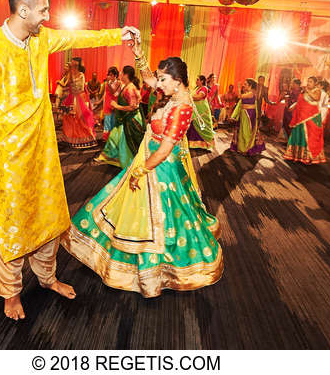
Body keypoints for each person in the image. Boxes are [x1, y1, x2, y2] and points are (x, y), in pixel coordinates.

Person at [0, 0, 138, 320]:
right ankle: (10, 293)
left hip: (42, 153)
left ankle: (47, 278)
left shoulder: (40, 40)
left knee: (49, 222)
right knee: (8, 231)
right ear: (22, 9)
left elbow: (79, 37)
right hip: (5, 161)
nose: (47, 17)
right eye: (42, 10)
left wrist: (120, 33)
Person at [64, 53, 222, 298]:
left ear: (178, 81)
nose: (157, 84)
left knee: (161, 215)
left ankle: (159, 270)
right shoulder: (172, 93)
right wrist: (138, 52)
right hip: (149, 158)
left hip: (160, 167)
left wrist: (140, 170)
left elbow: (166, 148)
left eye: (163, 79)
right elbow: (148, 79)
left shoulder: (183, 106)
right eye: (159, 79)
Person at [94, 65, 144, 167]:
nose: (120, 74)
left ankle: (126, 161)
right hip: (124, 118)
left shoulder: (130, 88)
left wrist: (117, 106)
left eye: (121, 73)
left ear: (126, 75)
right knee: (114, 137)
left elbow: (133, 107)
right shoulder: (127, 86)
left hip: (130, 120)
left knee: (122, 141)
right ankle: (107, 157)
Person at [284, 76, 325, 164]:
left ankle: (309, 157)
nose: (308, 83)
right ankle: (297, 155)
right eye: (308, 81)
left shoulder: (317, 90)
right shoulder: (304, 91)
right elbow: (300, 101)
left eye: (310, 82)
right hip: (301, 117)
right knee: (299, 134)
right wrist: (293, 106)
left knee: (310, 136)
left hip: (311, 117)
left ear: (315, 84)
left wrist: (307, 90)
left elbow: (316, 98)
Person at [59, 57, 97, 149]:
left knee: (80, 120)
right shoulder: (69, 74)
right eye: (72, 65)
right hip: (70, 97)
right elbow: (66, 85)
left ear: (78, 66)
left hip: (79, 98)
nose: (73, 67)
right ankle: (69, 138)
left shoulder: (81, 75)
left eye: (75, 65)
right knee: (68, 118)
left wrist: (70, 79)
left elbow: (79, 88)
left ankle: (84, 139)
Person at [229, 78, 266, 156]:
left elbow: (240, 96)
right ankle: (242, 148)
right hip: (244, 114)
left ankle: (247, 148)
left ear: (250, 85)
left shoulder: (251, 93)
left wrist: (239, 88)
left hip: (249, 114)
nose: (243, 85)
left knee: (246, 132)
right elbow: (240, 103)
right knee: (242, 131)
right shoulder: (248, 93)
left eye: (245, 84)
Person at [187, 74, 216, 150]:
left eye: (198, 79)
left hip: (202, 112)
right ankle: (193, 143)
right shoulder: (197, 88)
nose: (196, 81)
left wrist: (188, 96)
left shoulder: (204, 88)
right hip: (195, 111)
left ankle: (203, 144)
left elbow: (199, 97)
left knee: (202, 126)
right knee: (194, 125)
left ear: (202, 81)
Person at [100, 66, 121, 138]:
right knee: (107, 121)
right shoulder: (107, 83)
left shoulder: (118, 83)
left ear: (115, 75)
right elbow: (105, 94)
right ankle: (105, 138)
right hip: (107, 103)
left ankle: (112, 137)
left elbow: (114, 93)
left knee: (113, 122)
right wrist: (101, 102)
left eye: (111, 75)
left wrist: (109, 84)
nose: (109, 76)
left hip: (115, 104)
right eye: (109, 74)